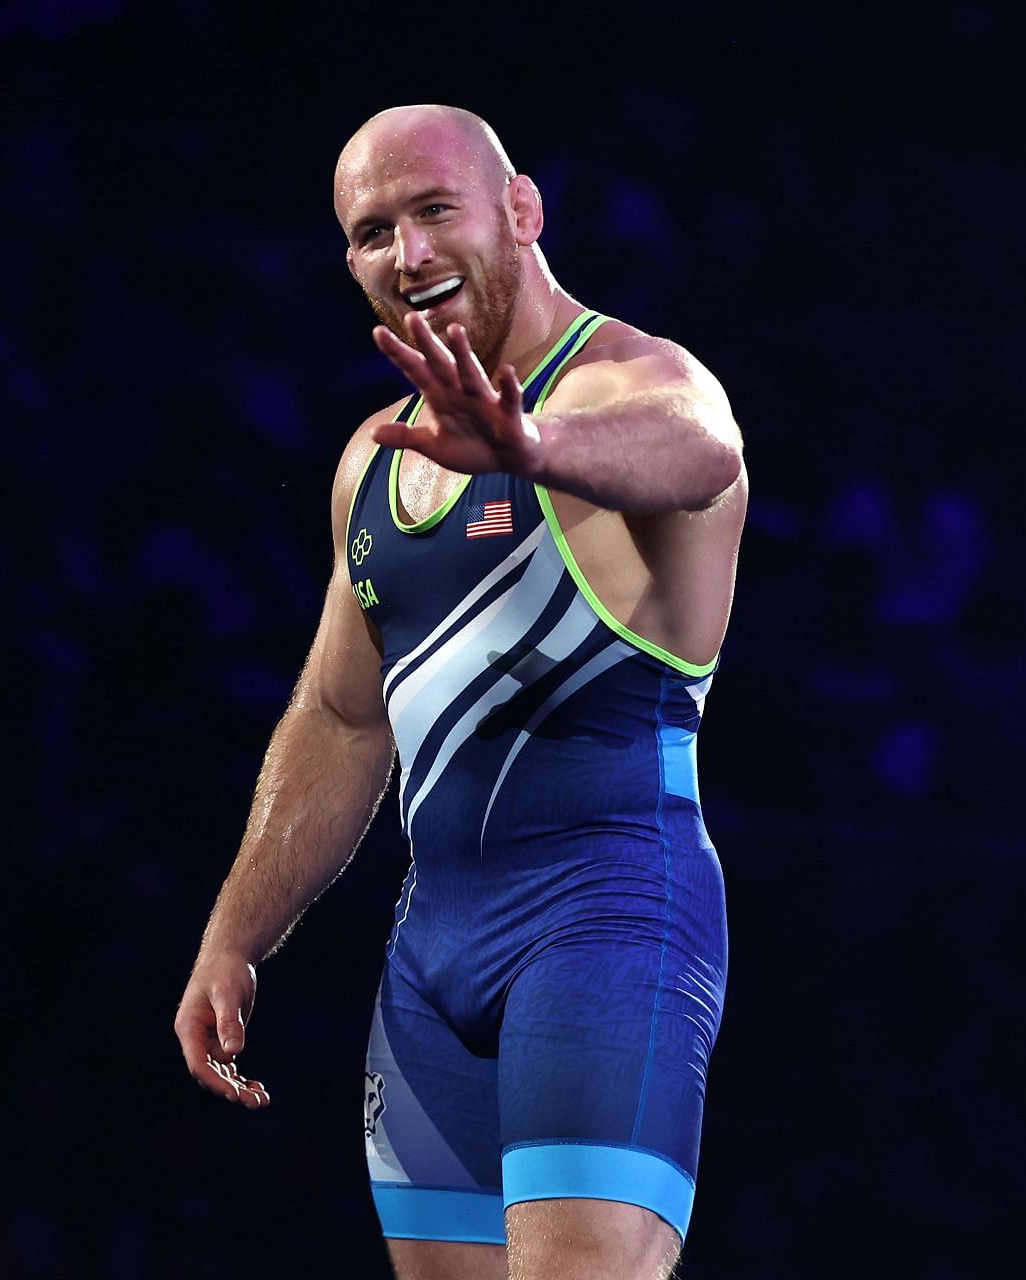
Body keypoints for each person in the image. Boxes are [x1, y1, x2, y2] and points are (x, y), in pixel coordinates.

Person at [173, 104, 746, 1280]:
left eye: (437, 212)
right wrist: (237, 931)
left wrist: (532, 447)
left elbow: (703, 453)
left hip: (606, 921)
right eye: (374, 231)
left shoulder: (621, 390)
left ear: (520, 211)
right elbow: (340, 715)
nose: (411, 254)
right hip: (433, 955)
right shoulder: (375, 459)